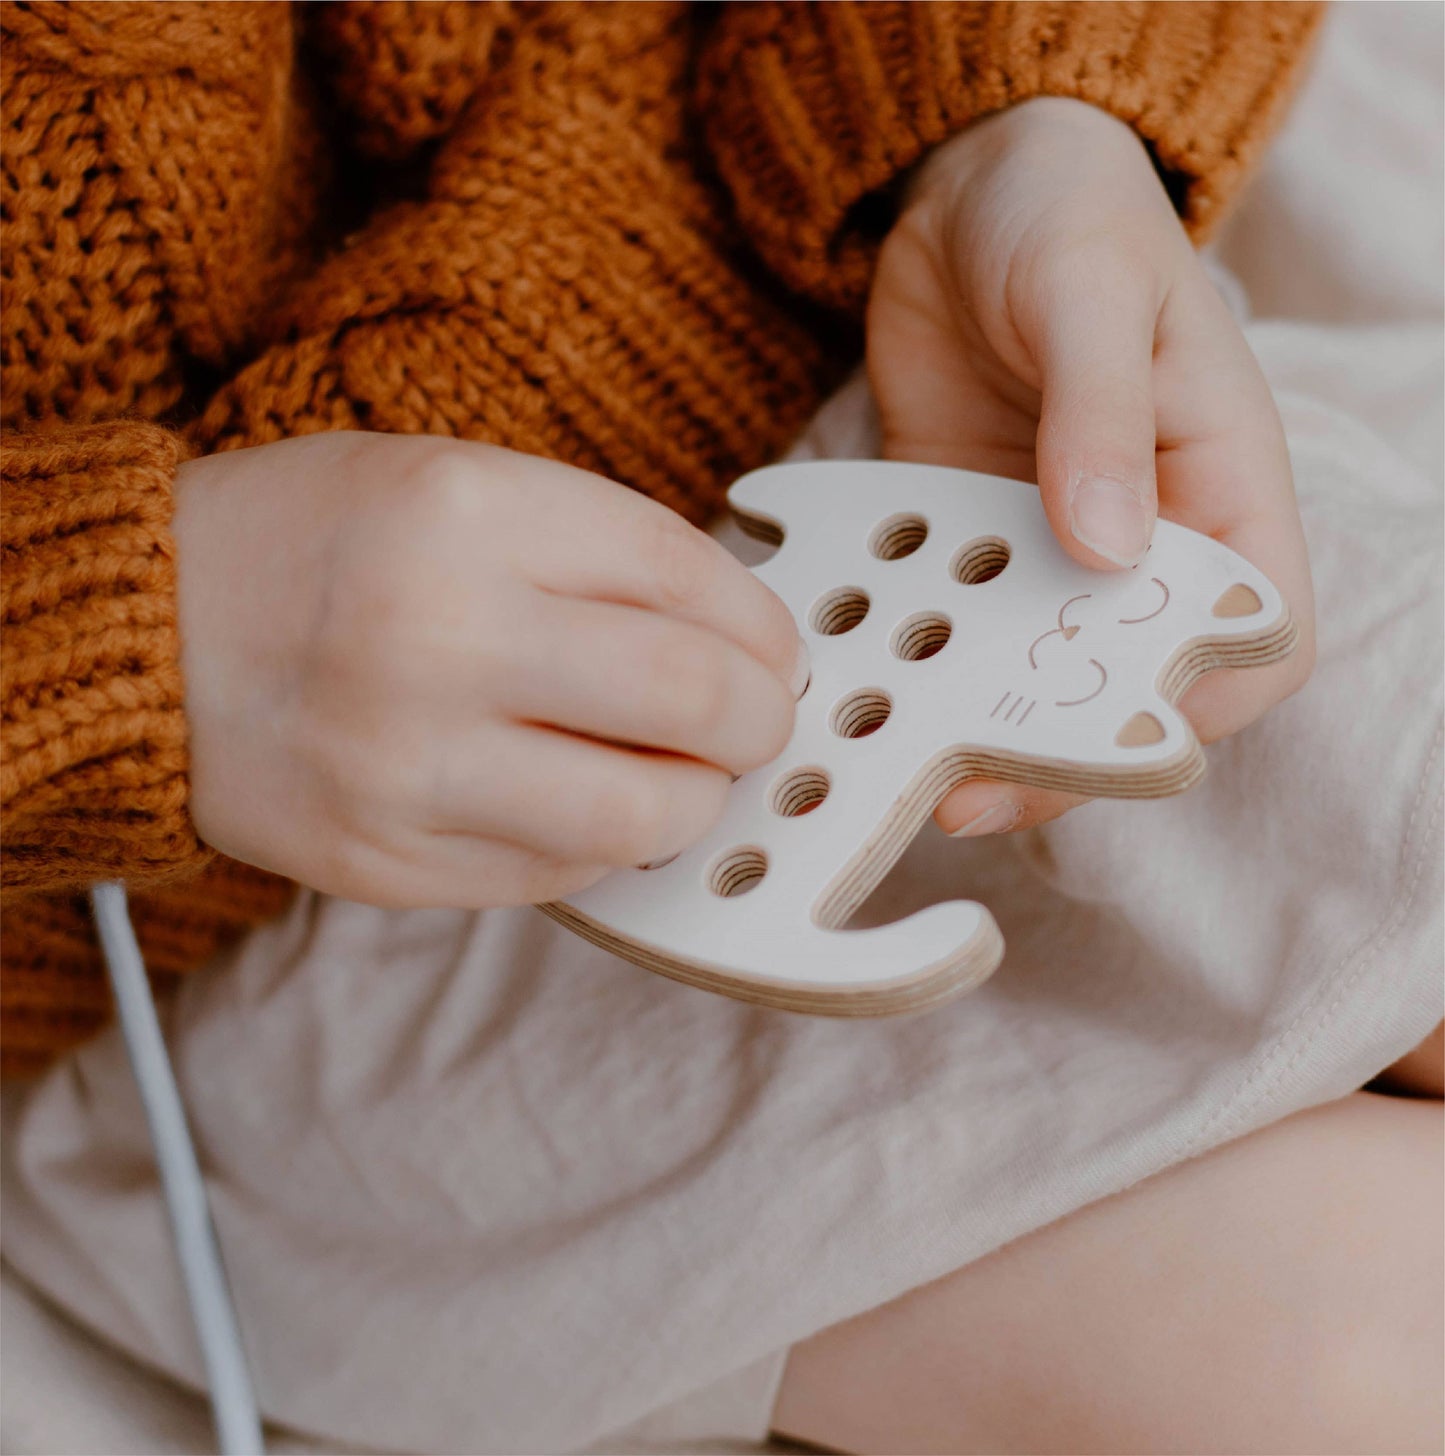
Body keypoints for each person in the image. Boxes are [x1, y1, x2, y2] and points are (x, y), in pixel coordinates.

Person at [2, 3, 1439, 1452]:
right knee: (1348, 1351)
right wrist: (134, 630)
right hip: (232, 891)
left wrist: (1014, 103)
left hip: (916, 374)